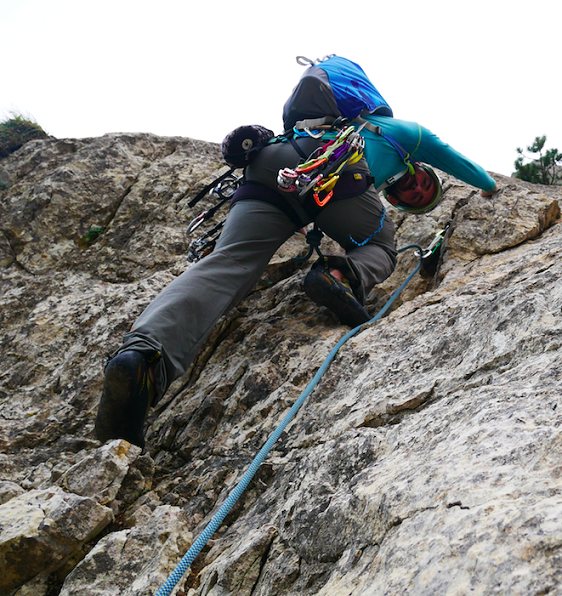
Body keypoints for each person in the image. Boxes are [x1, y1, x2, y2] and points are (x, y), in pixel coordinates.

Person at [94, 97, 497, 450]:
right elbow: (452, 157)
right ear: (417, 168)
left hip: (271, 164)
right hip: (338, 171)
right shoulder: (405, 133)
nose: (414, 192)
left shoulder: (337, 122)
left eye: (417, 199)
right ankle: (340, 277)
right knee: (380, 247)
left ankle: (142, 358)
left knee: (226, 263)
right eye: (419, 186)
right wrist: (489, 186)